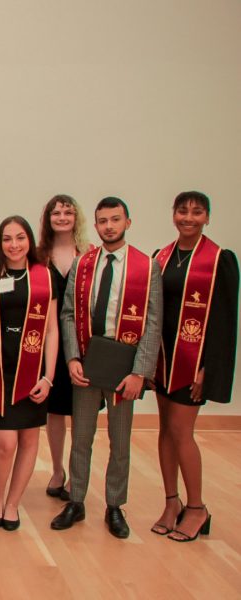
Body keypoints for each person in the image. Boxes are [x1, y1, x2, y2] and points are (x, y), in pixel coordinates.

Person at [51, 197, 163, 539]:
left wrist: (140, 373)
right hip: (86, 361)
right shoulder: (84, 264)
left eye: (115, 219)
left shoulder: (147, 267)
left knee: (120, 439)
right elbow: (68, 313)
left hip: (123, 368)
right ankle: (77, 500)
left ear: (128, 222)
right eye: (103, 221)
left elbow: (153, 322)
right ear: (96, 225)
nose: (109, 226)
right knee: (81, 437)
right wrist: (71, 358)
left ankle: (115, 505)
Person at [151, 191, 237, 542]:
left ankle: (198, 508)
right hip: (164, 358)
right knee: (164, 430)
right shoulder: (162, 257)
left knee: (181, 431)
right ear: (173, 215)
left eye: (196, 212)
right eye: (182, 211)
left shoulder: (220, 260)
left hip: (193, 362)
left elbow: (224, 320)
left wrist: (207, 368)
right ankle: (172, 502)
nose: (188, 217)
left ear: (207, 217)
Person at [0, 217, 58, 531]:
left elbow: (51, 331)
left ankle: (12, 504)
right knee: (5, 443)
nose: (13, 244)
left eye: (20, 238)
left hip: (32, 374)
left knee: (28, 441)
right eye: (7, 238)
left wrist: (48, 376)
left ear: (29, 240)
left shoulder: (44, 277)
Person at [36, 195, 92, 500]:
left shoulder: (89, 254)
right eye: (55, 212)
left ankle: (77, 473)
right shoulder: (38, 255)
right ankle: (58, 470)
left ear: (76, 217)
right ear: (48, 218)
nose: (61, 216)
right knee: (55, 412)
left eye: (68, 211)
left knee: (81, 413)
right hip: (47, 344)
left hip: (83, 344)